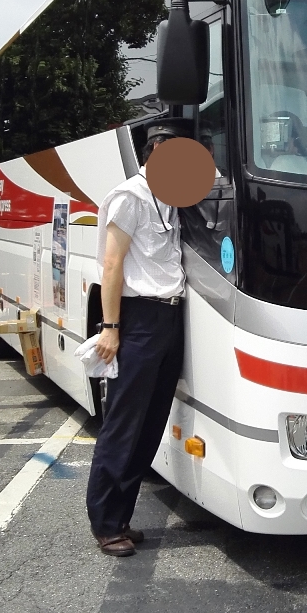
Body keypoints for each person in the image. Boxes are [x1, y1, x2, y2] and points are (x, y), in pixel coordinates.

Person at [86, 120, 189, 556]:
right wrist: (111, 328)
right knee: (125, 423)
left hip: (169, 316)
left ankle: (123, 518)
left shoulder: (171, 198)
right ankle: (106, 523)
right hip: (140, 318)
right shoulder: (130, 197)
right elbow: (112, 266)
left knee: (150, 424)